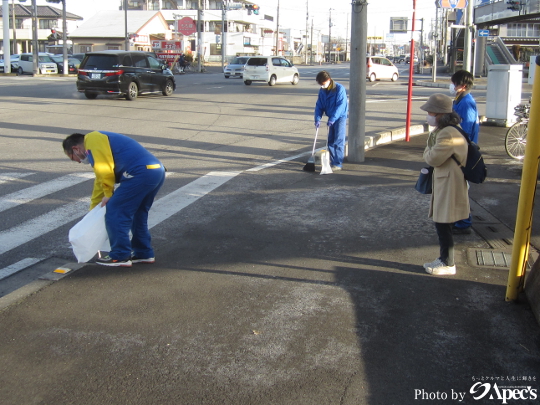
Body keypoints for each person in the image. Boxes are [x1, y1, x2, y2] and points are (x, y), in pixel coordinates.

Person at [63, 131, 165, 267]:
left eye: (73, 158)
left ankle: (120, 255)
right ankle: (144, 253)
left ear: (76, 149)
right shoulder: (101, 142)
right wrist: (94, 208)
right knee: (138, 214)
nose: (78, 162)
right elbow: (100, 179)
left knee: (115, 211)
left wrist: (108, 193)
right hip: (156, 171)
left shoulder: (92, 138)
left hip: (140, 173)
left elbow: (104, 169)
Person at [421, 94, 470, 276]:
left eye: (430, 111)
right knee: (443, 223)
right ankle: (444, 259)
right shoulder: (448, 130)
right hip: (448, 181)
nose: (428, 114)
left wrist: (427, 149)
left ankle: (448, 263)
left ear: (440, 113)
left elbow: (432, 158)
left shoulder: (447, 133)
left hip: (449, 183)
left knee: (443, 223)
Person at [450, 69, 479, 234]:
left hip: (463, 151)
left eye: (455, 83)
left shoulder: (466, 102)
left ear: (463, 85)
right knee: (458, 188)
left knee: (460, 188)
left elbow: (466, 130)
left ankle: (464, 221)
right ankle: (460, 219)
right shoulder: (461, 99)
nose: (453, 86)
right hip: (461, 149)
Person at [314, 70, 349, 171]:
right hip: (331, 117)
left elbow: (340, 106)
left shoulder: (339, 89)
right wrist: (317, 119)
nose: (322, 85)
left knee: (338, 140)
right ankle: (333, 161)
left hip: (340, 117)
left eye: (322, 83)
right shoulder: (322, 91)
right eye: (320, 84)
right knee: (330, 141)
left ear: (328, 80)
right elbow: (319, 105)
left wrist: (333, 118)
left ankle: (337, 163)